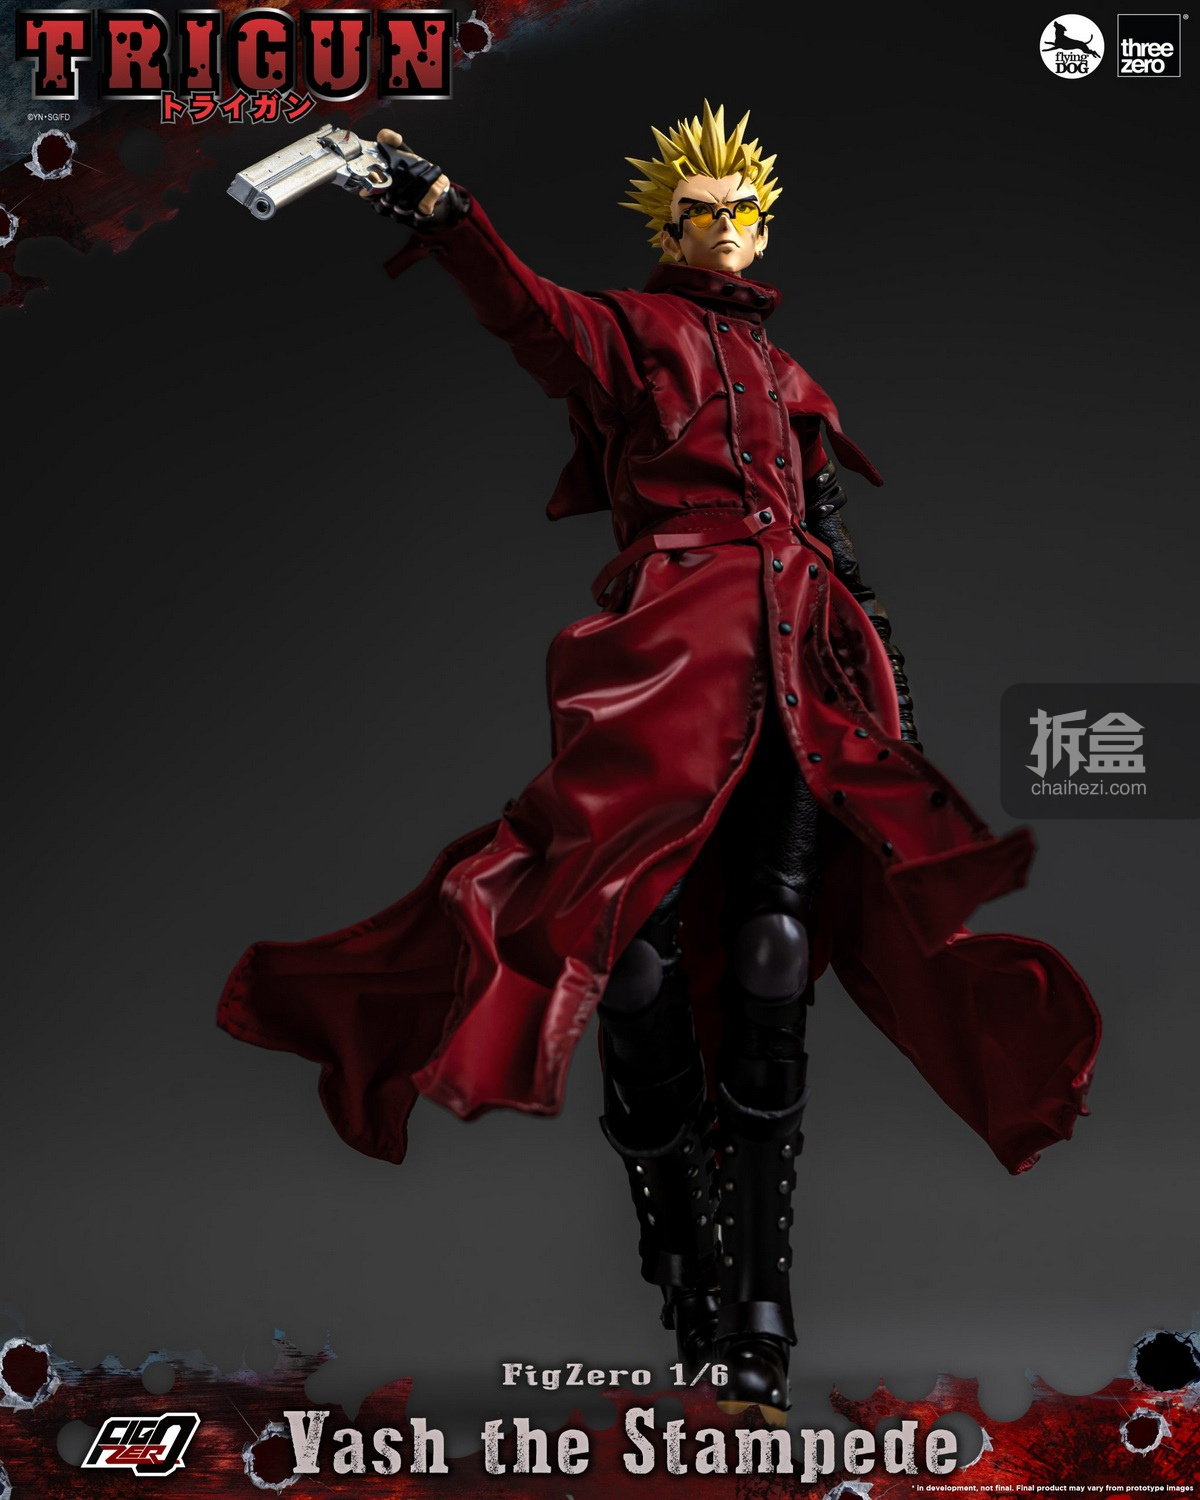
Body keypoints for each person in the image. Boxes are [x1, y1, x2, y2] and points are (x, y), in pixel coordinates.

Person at [219, 104, 1100, 1425]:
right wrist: (447, 213)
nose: (722, 229)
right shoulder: (632, 333)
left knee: (774, 950)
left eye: (740, 212)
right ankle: (681, 1248)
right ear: (667, 225)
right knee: (627, 960)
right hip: (664, 666)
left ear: (764, 225)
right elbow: (527, 314)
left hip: (803, 666)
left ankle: (758, 1310)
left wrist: (890, 705)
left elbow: (839, 549)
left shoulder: (794, 382)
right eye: (698, 213)